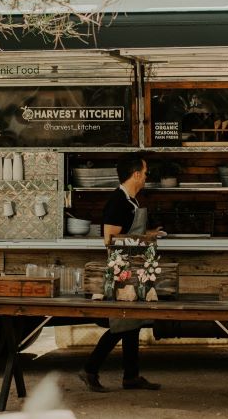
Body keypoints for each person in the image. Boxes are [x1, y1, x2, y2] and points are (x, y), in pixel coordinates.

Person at [79, 154, 162, 393]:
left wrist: (149, 235)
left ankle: (131, 376)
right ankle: (90, 369)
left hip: (134, 268)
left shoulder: (131, 201)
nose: (146, 176)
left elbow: (129, 233)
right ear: (136, 174)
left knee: (131, 322)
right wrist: (142, 241)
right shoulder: (118, 201)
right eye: (145, 172)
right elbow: (110, 240)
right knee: (122, 323)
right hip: (122, 270)